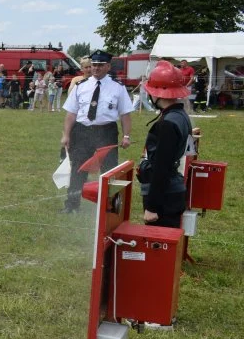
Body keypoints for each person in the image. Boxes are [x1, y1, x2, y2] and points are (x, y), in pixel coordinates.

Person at [59, 50, 133, 213]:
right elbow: (71, 113)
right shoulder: (81, 87)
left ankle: (109, 206)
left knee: (109, 170)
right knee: (78, 168)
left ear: (108, 66)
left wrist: (126, 135)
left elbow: (125, 114)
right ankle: (72, 205)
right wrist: (66, 134)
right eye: (94, 65)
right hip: (82, 131)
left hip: (106, 132)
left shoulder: (118, 88)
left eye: (100, 65)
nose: (96, 68)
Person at [138, 61, 193, 229]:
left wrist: (152, 207)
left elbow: (161, 167)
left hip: (164, 196)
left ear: (157, 94)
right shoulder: (179, 115)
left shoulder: (168, 123)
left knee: (159, 248)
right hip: (171, 191)